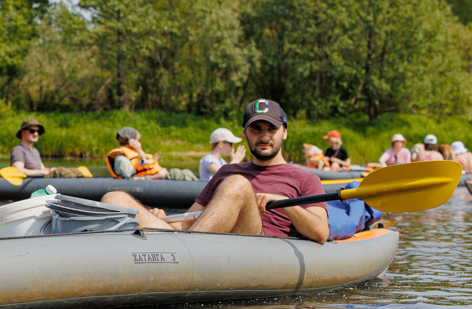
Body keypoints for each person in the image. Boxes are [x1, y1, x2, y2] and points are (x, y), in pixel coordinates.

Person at [102, 99, 329, 243]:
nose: (265, 136)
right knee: (115, 197)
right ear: (244, 133)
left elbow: (321, 233)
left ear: (284, 132)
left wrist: (284, 202)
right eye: (256, 129)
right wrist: (158, 218)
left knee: (237, 184)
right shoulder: (226, 171)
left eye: (272, 129)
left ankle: (187, 253)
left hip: (259, 246)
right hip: (209, 241)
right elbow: (189, 220)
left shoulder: (305, 178)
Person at [107, 126, 196, 181]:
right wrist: (159, 175)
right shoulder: (121, 159)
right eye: (138, 140)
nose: (140, 142)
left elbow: (143, 166)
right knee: (184, 174)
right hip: (158, 178)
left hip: (161, 176)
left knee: (185, 172)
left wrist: (139, 149)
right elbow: (131, 181)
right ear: (131, 141)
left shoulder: (133, 153)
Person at [10, 118, 80, 178]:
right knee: (61, 171)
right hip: (29, 181)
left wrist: (51, 170)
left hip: (41, 179)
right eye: (32, 131)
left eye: (38, 132)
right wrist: (43, 172)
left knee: (74, 171)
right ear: (23, 132)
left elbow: (43, 169)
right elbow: (18, 170)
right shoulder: (18, 150)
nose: (36, 134)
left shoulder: (35, 151)